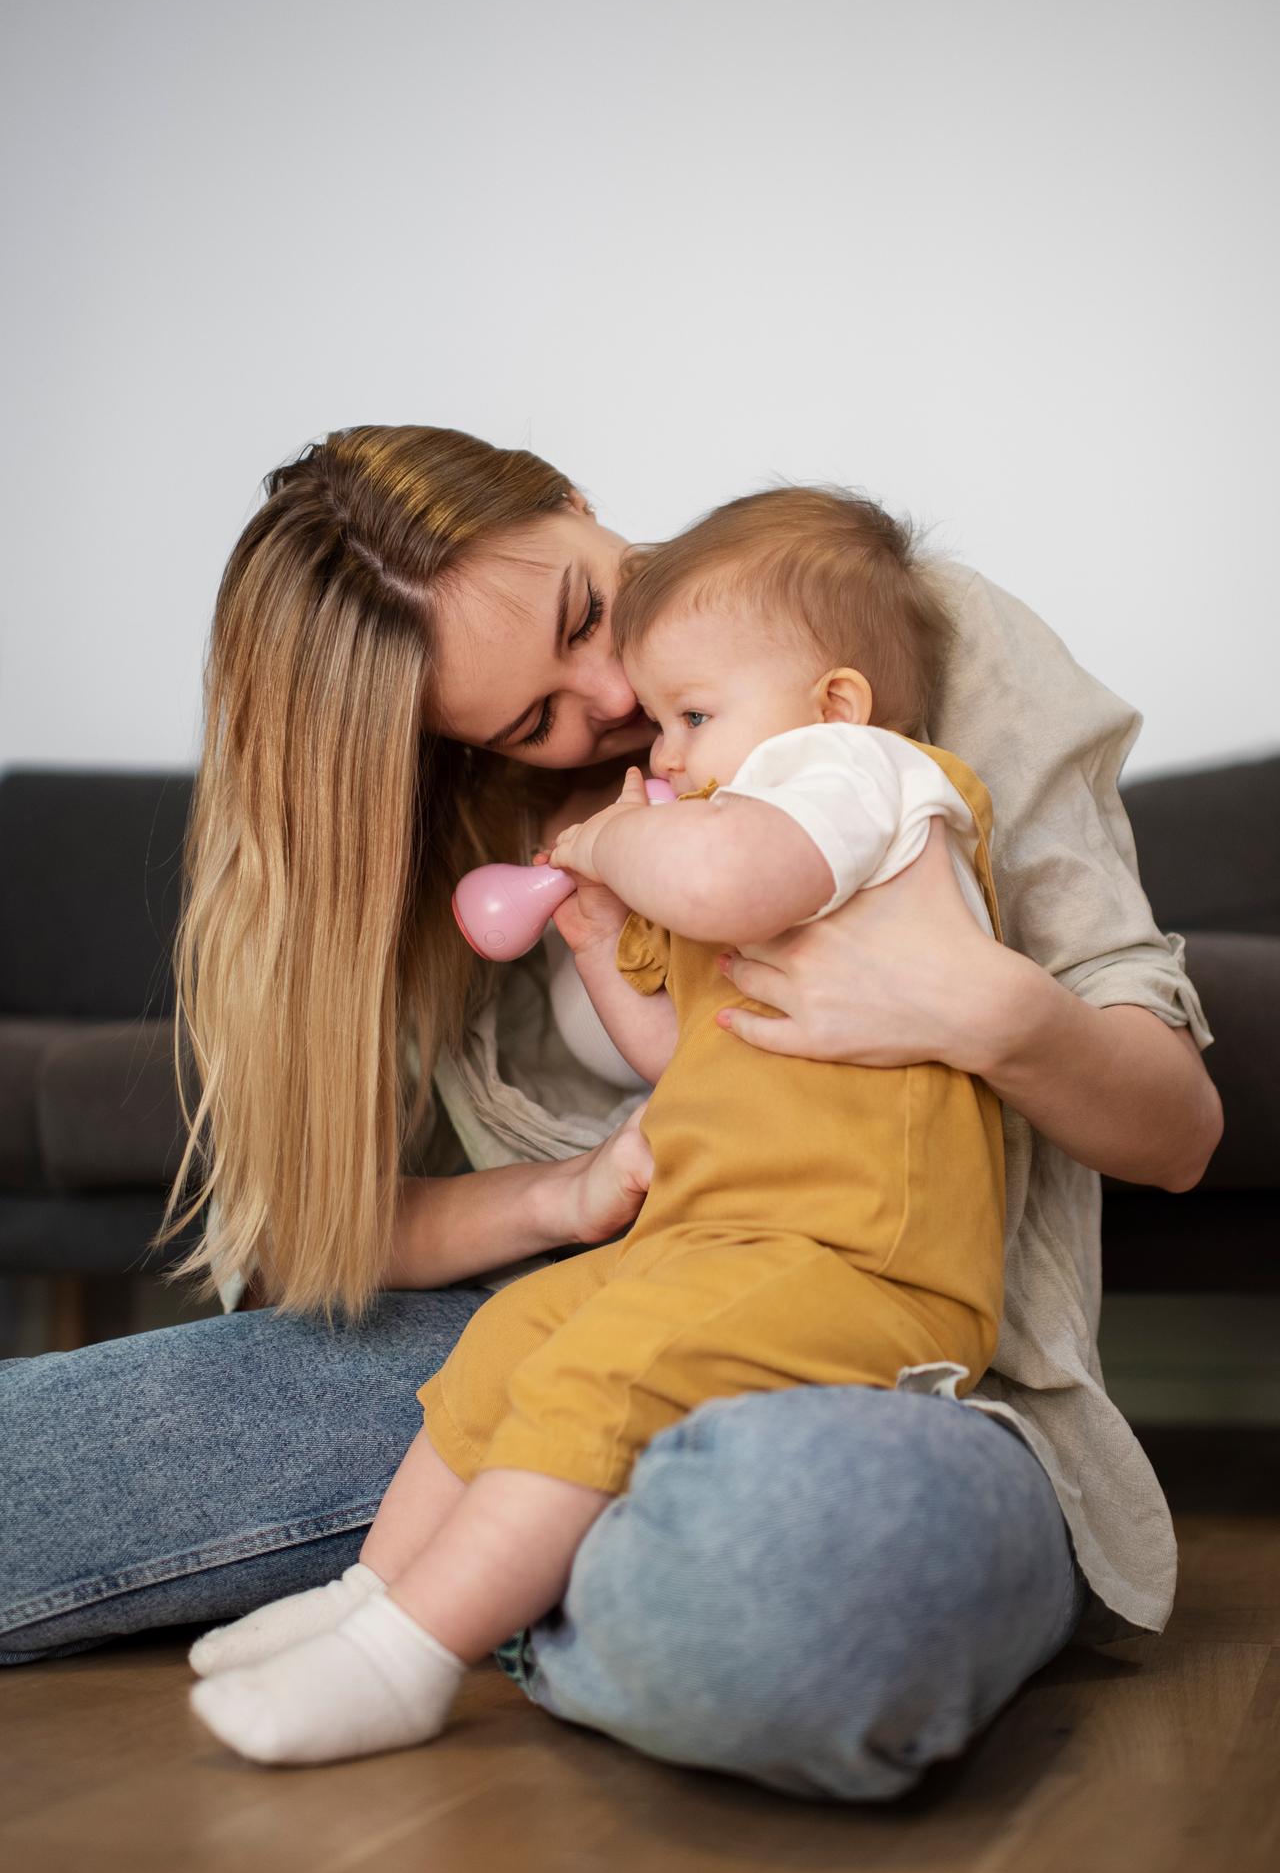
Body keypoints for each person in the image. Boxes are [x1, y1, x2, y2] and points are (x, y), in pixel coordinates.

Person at [0, 427, 1221, 1801]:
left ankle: (461, 1611)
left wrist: (993, 1013)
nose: (615, 692)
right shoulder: (466, 826)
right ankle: (448, 1593)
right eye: (532, 723)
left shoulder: (857, 676)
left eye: (590, 610)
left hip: (888, 1348)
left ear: (576, 499)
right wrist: (563, 1195)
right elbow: (331, 1231)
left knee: (794, 1572)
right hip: (585, 1297)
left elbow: (1175, 1131)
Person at [185, 487, 1011, 1765]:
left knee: (604, 1368)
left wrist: (618, 843)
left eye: (691, 715)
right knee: (515, 1331)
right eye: (540, 716)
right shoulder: (749, 824)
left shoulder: (861, 780)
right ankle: (365, 1601)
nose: (653, 739)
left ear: (833, 701)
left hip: (859, 1256)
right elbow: (690, 1061)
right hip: (726, 1237)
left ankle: (412, 1659)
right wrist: (594, 935)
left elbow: (725, 876)